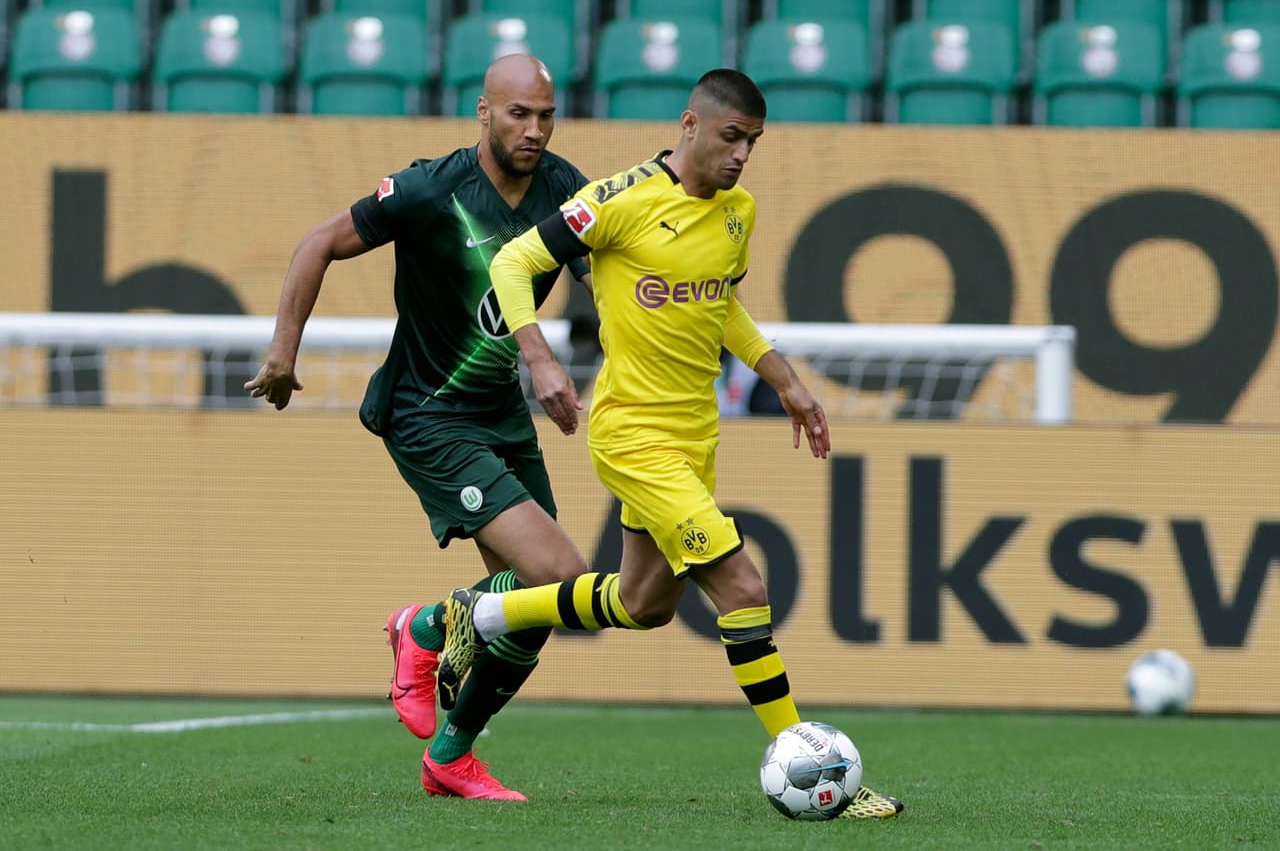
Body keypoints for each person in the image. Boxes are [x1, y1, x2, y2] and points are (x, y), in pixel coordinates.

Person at [434, 68, 904, 819]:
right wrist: (541, 356)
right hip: (633, 435)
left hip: (694, 438)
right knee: (743, 589)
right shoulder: (616, 202)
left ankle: (480, 614)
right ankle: (813, 769)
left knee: (644, 601)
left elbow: (721, 304)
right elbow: (514, 261)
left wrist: (784, 378)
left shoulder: (737, 212)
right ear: (690, 125)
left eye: (753, 142)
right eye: (730, 137)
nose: (742, 155)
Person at [244, 54, 595, 801]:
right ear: (483, 112)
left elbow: (608, 276)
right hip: (427, 414)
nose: (534, 131)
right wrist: (282, 355)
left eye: (545, 115)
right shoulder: (431, 188)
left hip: (502, 413)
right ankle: (429, 627)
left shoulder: (565, 188)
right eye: (518, 115)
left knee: (544, 603)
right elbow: (319, 244)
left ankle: (451, 753)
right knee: (559, 577)